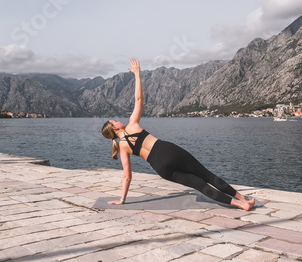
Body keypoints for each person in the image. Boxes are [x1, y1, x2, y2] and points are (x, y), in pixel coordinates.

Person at [101, 59, 255, 210]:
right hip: (167, 151)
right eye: (115, 121)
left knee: (199, 185)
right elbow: (139, 99)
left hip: (160, 168)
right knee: (206, 175)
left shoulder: (122, 147)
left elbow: (127, 176)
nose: (118, 121)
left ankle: (240, 205)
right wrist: (137, 75)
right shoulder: (132, 124)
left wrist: (122, 199)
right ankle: (242, 198)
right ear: (115, 129)